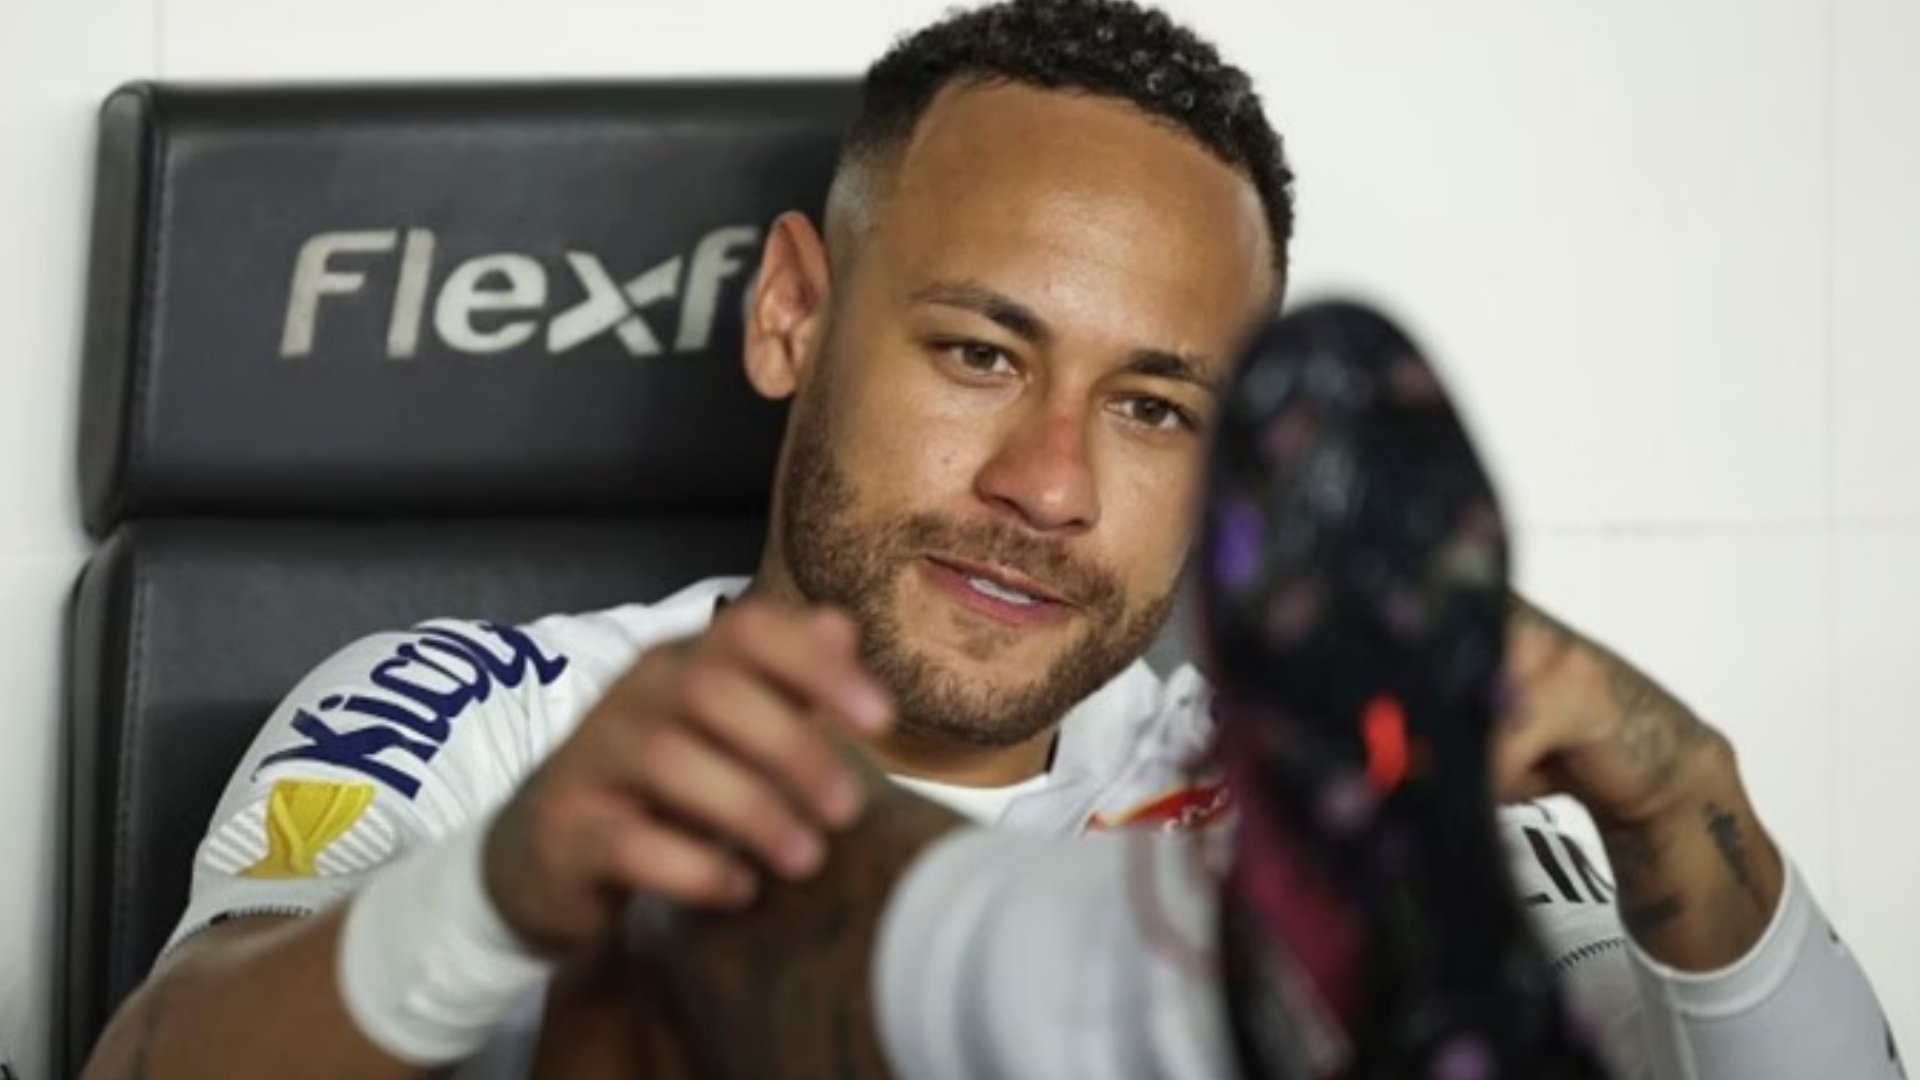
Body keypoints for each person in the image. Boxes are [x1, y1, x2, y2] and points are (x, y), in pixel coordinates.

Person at [78, 2, 1898, 1079]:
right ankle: (1171, 994)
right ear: (794, 315)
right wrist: (498, 895)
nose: (1049, 485)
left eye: (1155, 407)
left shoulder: (1307, 776)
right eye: (978, 354)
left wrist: (1687, 807)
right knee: (701, 888)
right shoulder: (479, 716)